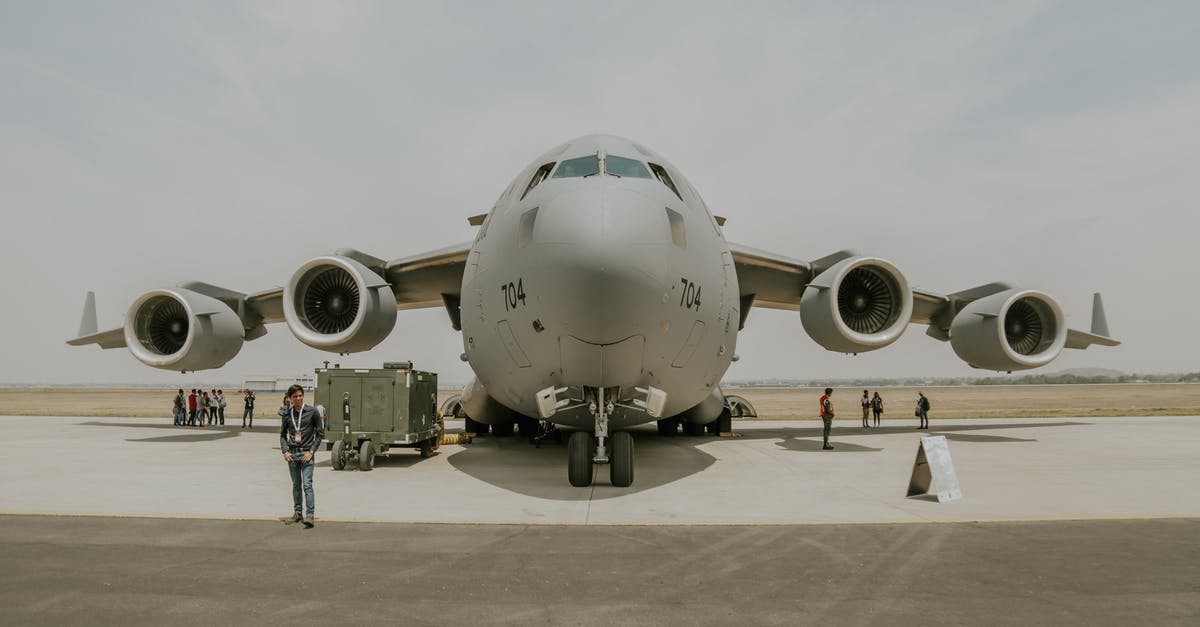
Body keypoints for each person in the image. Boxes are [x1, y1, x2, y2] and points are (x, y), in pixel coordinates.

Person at [280, 384, 323, 528]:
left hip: (306, 454)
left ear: (303, 396)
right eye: (295, 396)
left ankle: (309, 515)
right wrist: (285, 451)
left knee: (307, 485)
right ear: (290, 398)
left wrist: (311, 452)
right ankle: (297, 513)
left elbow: (320, 434)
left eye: (300, 395)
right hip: (292, 454)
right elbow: (282, 435)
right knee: (296, 485)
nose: (298, 398)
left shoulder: (312, 412)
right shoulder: (287, 415)